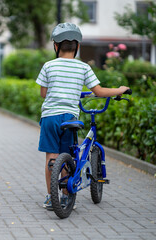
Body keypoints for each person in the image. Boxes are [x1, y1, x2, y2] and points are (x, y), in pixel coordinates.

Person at [36, 22, 129, 211]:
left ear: (56, 46)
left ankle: (49, 197)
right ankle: (66, 197)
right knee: (68, 156)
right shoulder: (83, 68)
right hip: (70, 118)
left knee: (51, 157)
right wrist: (118, 90)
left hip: (50, 118)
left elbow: (43, 93)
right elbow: (99, 91)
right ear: (77, 47)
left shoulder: (48, 66)